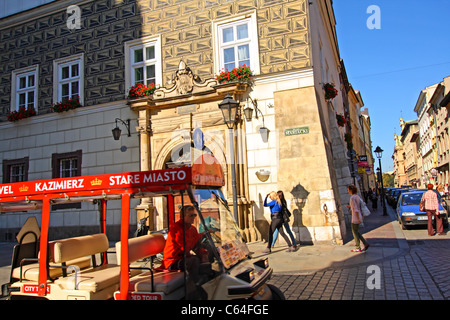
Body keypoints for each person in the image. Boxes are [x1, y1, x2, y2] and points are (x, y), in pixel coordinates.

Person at [162, 205, 209, 297]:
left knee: (204, 259)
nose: (193, 218)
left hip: (184, 258)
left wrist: (204, 253)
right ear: (183, 217)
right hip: (172, 261)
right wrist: (201, 235)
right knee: (194, 261)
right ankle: (193, 292)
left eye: (194, 215)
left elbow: (196, 246)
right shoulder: (176, 229)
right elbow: (186, 247)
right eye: (190, 216)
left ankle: (202, 286)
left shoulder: (192, 229)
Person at [346, 184, 370, 253]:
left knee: (354, 231)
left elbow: (356, 209)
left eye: (348, 190)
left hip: (355, 216)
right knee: (356, 231)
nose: (347, 191)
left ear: (350, 190)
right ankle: (365, 243)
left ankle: (358, 247)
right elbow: (356, 206)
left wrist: (358, 219)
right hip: (358, 215)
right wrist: (350, 206)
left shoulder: (352, 198)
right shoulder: (356, 196)